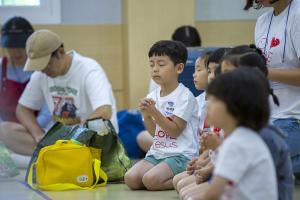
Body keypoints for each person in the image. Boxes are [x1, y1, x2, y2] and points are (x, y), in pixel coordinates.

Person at [1, 29, 118, 156]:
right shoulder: (41, 74)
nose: (43, 70)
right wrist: (38, 134)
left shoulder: (89, 69)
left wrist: (76, 136)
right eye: (39, 66)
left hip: (89, 139)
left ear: (61, 52)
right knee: (5, 131)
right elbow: (23, 109)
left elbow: (104, 111)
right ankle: (55, 155)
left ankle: (53, 157)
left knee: (94, 138)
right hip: (59, 141)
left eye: (46, 64)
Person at [124, 40, 199, 191]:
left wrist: (155, 113)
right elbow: (154, 134)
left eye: (161, 64)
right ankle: (165, 175)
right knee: (131, 179)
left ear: (179, 68)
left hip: (180, 155)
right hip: (158, 152)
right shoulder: (153, 95)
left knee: (151, 180)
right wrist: (146, 116)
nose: (155, 69)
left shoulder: (185, 96)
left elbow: (174, 131)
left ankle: (188, 179)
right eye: (152, 65)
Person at [200, 68, 277, 200]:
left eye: (214, 100)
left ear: (235, 106)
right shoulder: (243, 137)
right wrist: (216, 147)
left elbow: (213, 194)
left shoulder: (237, 143)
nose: (207, 106)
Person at [245, 0, 300, 177]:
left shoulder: (297, 14)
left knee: (255, 160)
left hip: (294, 118)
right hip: (269, 117)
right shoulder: (262, 21)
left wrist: (265, 72)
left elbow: (265, 72)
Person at [0, 17, 51, 157]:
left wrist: (31, 129)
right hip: (6, 132)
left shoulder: (42, 69)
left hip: (37, 132)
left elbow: (47, 112)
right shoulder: (1, 68)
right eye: (11, 46)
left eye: (21, 46)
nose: (16, 51)